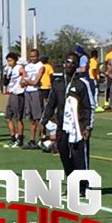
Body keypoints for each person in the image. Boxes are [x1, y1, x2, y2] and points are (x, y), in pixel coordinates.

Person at [40, 51, 94, 195]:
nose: (69, 65)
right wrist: (43, 122)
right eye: (67, 62)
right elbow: (51, 104)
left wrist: (88, 126)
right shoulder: (57, 84)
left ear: (77, 66)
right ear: (64, 64)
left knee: (79, 157)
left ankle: (83, 187)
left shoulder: (82, 84)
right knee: (65, 155)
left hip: (79, 126)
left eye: (73, 63)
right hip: (62, 126)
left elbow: (90, 106)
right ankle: (72, 185)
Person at [21, 48, 45, 147]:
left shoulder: (41, 66)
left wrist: (27, 81)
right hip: (28, 92)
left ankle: (42, 138)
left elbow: (36, 82)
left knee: (39, 117)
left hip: (36, 92)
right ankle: (32, 139)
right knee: (31, 118)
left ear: (38, 56)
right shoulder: (27, 66)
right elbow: (22, 82)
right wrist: (25, 82)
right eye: (31, 56)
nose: (32, 58)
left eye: (34, 56)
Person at [2, 52, 25, 148]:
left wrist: (23, 82)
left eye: (11, 60)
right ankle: (13, 137)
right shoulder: (9, 69)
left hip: (17, 94)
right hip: (11, 94)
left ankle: (20, 138)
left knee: (18, 118)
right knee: (8, 117)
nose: (9, 62)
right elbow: (5, 82)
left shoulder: (18, 67)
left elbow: (24, 73)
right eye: (8, 61)